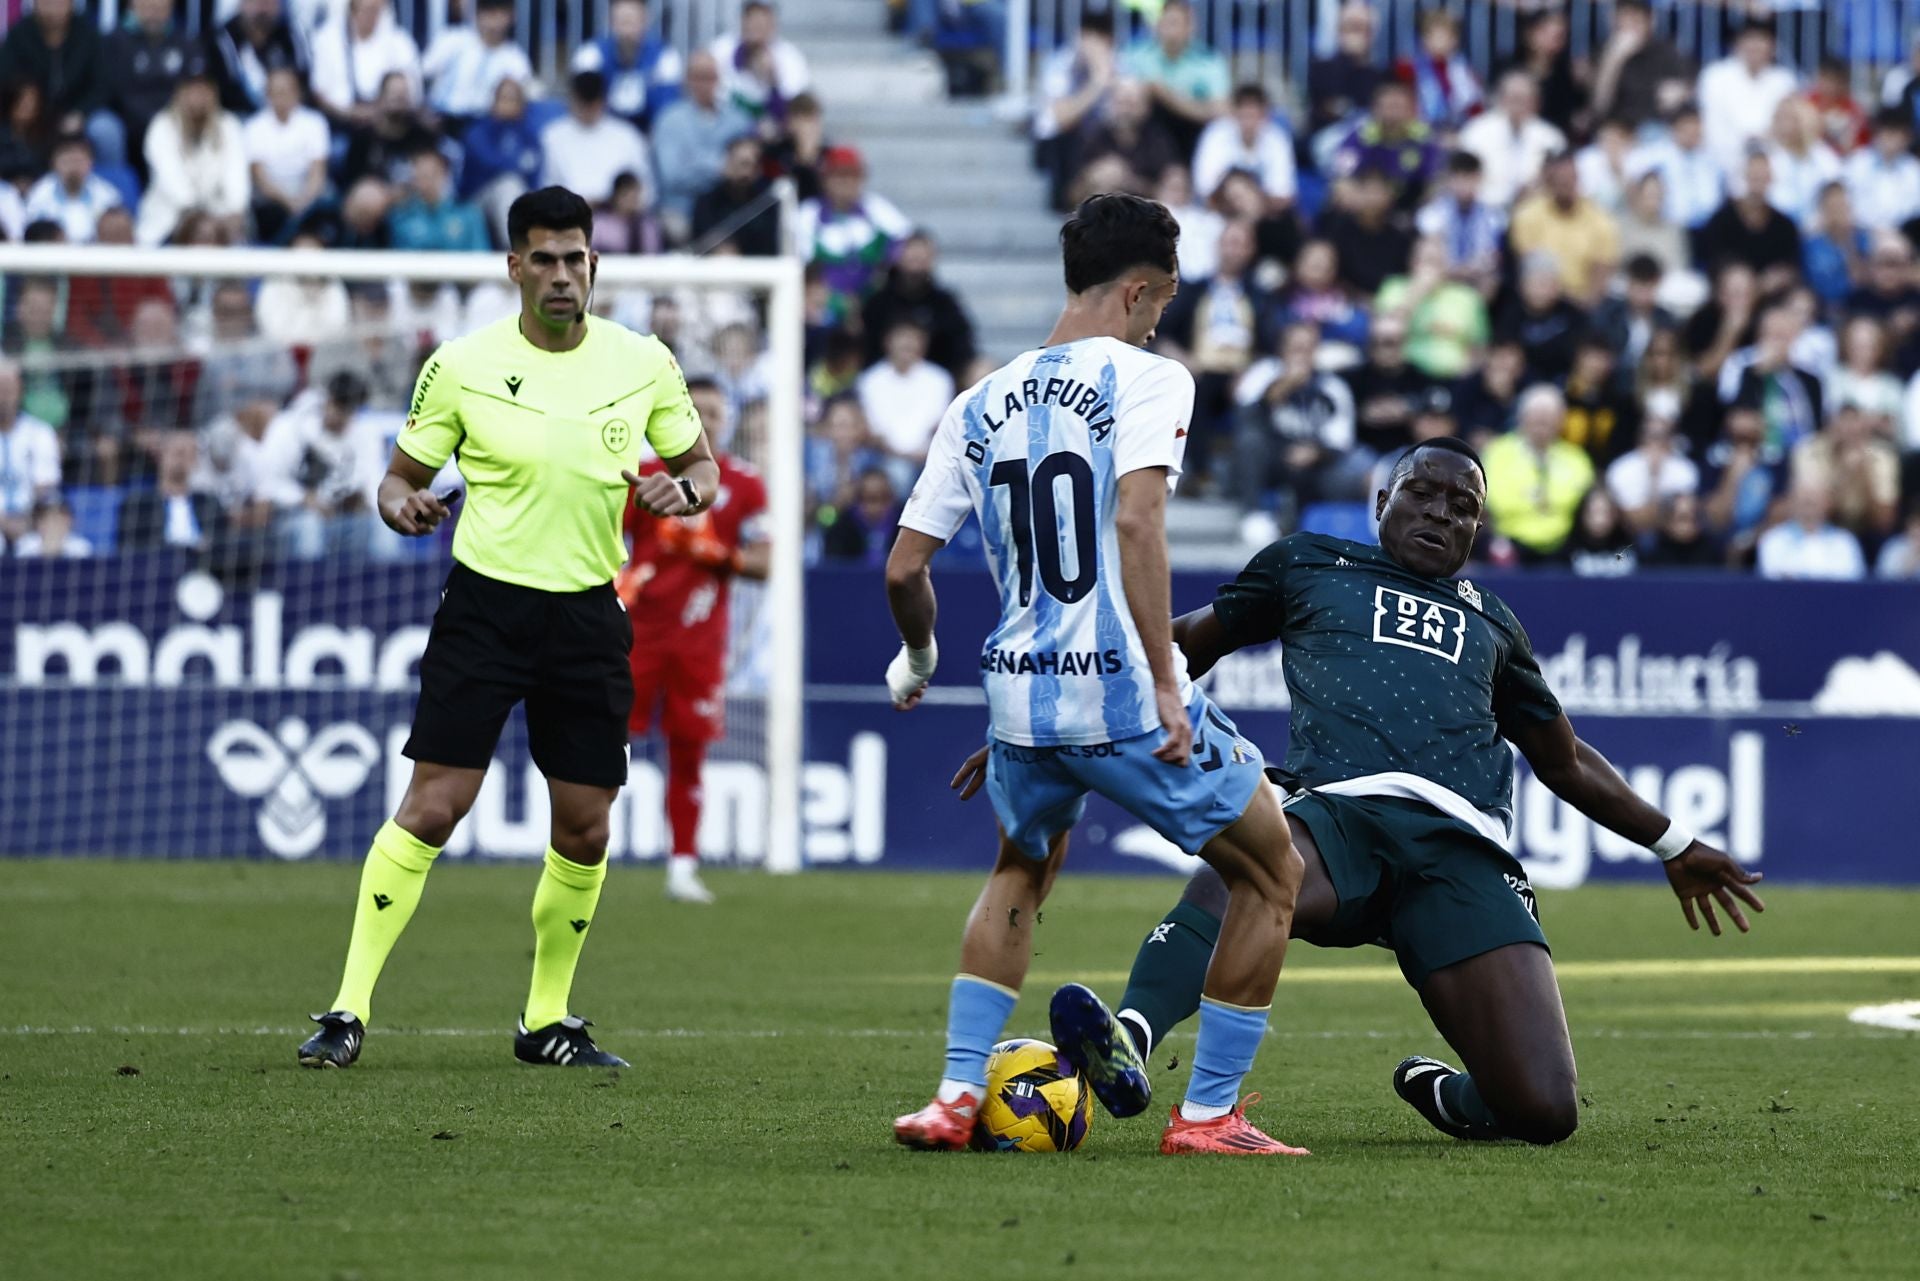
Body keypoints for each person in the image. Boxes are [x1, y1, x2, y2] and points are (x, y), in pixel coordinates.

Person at [949, 435, 1765, 1146]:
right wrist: (1051, 710)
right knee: (1257, 861)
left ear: (1478, 530)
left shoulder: (1493, 621)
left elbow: (1566, 758)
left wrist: (1676, 843)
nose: (1443, 512)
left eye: (1464, 505)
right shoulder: (1310, 562)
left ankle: (1445, 1089)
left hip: (1461, 852)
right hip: (1337, 816)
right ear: (1382, 498)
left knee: (1545, 1111)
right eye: (1425, 491)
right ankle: (1125, 1035)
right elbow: (1185, 643)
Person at [883, 192, 1306, 1158]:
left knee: (1019, 869)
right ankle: (1208, 1116)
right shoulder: (1152, 379)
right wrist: (1165, 682)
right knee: (1271, 870)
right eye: (1162, 300)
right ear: (1141, 289)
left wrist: (920, 660)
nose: (1161, 316)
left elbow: (904, 568)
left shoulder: (976, 401)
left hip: (1021, 699)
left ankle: (953, 1096)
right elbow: (1136, 523)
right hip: (1118, 688)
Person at [294, 185, 722, 1072]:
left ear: (594, 263)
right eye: (547, 259)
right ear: (515, 266)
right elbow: (395, 478)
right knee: (435, 805)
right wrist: (400, 505)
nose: (564, 276)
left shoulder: (643, 361)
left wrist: (682, 492)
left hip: (587, 614)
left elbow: (702, 468)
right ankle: (346, 1009)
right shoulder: (460, 363)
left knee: (586, 829)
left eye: (578, 258)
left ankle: (546, 1019)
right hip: (485, 606)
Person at [618, 376, 769, 905]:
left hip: (701, 641)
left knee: (689, 753)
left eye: (714, 411)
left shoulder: (745, 484)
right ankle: (583, 851)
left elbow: (767, 562)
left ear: (726, 419)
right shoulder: (644, 475)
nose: (706, 420)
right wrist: (624, 577)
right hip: (636, 636)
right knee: (605, 745)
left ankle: (683, 866)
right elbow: (610, 548)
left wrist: (714, 554)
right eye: (696, 411)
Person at [1230, 319, 1364, 541]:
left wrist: (1316, 452)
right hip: (1270, 453)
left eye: (1308, 348)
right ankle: (1252, 514)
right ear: (1283, 348)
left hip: (1313, 459)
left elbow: (1342, 438)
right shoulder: (1263, 372)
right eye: (1295, 348)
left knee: (1345, 467)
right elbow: (1244, 417)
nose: (1301, 355)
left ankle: (1309, 531)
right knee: (1249, 442)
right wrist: (1280, 388)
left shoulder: (1332, 385)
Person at [795, 145, 912, 326]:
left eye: (852, 175)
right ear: (824, 179)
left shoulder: (878, 208)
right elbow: (803, 263)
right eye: (838, 175)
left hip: (872, 303)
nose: (845, 182)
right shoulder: (808, 213)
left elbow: (907, 243)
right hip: (824, 306)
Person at [138, 61, 249, 247]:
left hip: (219, 221)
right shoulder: (162, 125)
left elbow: (236, 178)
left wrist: (233, 211)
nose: (198, 96)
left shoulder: (229, 125)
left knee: (236, 239)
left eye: (204, 89)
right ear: (180, 93)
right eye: (192, 89)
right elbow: (171, 179)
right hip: (169, 221)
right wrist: (199, 218)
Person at [1482, 384, 1595, 561]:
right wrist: (1547, 502)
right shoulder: (1497, 453)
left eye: (1549, 416)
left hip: (1566, 545)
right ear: (1521, 417)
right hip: (1511, 544)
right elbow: (1498, 502)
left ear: (1561, 420)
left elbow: (1582, 505)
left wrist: (1531, 497)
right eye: (1536, 415)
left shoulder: (1577, 458)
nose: (1542, 422)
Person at [650, 51, 750, 235]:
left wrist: (695, 164)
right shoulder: (669, 119)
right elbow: (671, 174)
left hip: (726, 210)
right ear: (687, 80)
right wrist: (719, 168)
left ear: (719, 79)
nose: (704, 84)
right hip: (682, 211)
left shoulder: (737, 120)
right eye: (698, 77)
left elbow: (745, 168)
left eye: (710, 77)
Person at [98, 0, 200, 174]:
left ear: (171, 9)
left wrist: (167, 117)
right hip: (130, 122)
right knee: (106, 128)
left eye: (160, 9)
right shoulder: (114, 42)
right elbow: (115, 92)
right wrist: (152, 119)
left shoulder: (184, 43)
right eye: (148, 8)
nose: (153, 15)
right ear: (132, 7)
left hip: (174, 119)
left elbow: (193, 86)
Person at [860, 232, 976, 382]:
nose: (916, 265)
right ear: (899, 258)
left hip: (938, 380)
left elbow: (962, 345)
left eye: (921, 258)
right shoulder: (878, 302)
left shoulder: (944, 303)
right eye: (912, 257)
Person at [0, 0, 108, 161]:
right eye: (47, 3)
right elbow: (8, 80)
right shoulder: (19, 34)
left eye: (59, 3)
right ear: (35, 5)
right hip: (31, 112)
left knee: (106, 129)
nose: (53, 9)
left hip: (78, 111)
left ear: (71, 5)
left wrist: (81, 113)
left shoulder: (88, 34)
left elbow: (102, 85)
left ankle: (99, 182)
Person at [1507, 151, 1618, 306]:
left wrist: (1583, 307)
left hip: (1582, 305)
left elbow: (1601, 273)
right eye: (1560, 181)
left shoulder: (1600, 220)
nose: (1565, 186)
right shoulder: (1527, 216)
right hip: (1539, 301)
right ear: (1550, 182)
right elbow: (1526, 269)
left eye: (1569, 180)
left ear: (1578, 179)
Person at [1120, 0, 1225, 156]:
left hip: (1192, 133)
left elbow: (1220, 112)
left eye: (1175, 23)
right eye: (1165, 23)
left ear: (1190, 28)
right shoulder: (1135, 55)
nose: (1169, 29)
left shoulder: (1209, 62)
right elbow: (1120, 99)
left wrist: (1168, 97)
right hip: (1145, 132)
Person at [856, 320, 954, 485]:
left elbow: (940, 426)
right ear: (887, 341)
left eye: (913, 338)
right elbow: (871, 431)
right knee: (896, 472)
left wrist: (924, 454)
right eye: (902, 337)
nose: (907, 344)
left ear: (923, 343)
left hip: (930, 457)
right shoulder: (870, 380)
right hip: (883, 456)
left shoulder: (940, 379)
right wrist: (898, 454)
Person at [1697, 20, 1797, 174]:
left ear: (1773, 47)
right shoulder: (1715, 76)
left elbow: (1786, 127)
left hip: (1773, 161)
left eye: (1761, 40)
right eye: (1750, 40)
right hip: (1722, 159)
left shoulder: (1784, 81)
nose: (1755, 46)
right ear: (1737, 44)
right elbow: (1711, 124)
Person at [244, 65, 330, 243]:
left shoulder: (315, 122)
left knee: (327, 208)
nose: (281, 96)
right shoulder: (253, 127)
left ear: (297, 93)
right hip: (271, 199)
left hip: (308, 195)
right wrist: (288, 202)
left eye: (286, 91)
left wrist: (304, 200)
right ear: (267, 95)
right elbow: (260, 177)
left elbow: (318, 171)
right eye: (276, 91)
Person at [1459, 71, 1566, 211]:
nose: (1517, 105)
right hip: (1485, 211)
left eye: (1524, 99)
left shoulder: (1552, 138)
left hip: (1535, 214)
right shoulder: (1475, 132)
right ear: (1500, 99)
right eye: (1513, 98)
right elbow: (1464, 181)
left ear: (1536, 102)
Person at [541, 72, 650, 208]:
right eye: (582, 103)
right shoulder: (552, 136)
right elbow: (546, 186)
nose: (587, 109)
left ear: (603, 101)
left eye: (592, 104)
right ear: (572, 100)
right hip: (568, 217)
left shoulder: (627, 136)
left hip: (618, 217)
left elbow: (645, 189)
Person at [308, 0, 422, 131]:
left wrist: (379, 111)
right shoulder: (327, 39)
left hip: (388, 124)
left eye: (377, 10)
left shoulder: (400, 42)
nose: (371, 16)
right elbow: (319, 93)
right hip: (340, 122)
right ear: (352, 10)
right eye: (367, 10)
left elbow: (414, 93)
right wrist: (352, 113)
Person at [571, 0, 681, 131]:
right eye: (621, 22)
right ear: (611, 23)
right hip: (601, 131)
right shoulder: (591, 53)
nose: (626, 31)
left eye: (632, 22)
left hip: (649, 129)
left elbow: (667, 108)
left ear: (645, 21)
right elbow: (585, 102)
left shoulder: (666, 55)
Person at [421, 0, 531, 130]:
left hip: (484, 125)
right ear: (478, 14)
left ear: (512, 17)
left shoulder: (516, 59)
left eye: (501, 14)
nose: (494, 22)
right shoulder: (451, 39)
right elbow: (423, 74)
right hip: (440, 118)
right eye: (489, 14)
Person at [459, 76, 542, 246]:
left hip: (521, 198)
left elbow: (535, 173)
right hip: (477, 201)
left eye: (514, 99)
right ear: (493, 102)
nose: (508, 104)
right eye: (504, 98)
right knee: (508, 186)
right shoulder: (479, 131)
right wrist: (517, 165)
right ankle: (518, 247)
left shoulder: (529, 134)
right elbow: (491, 164)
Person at [1605, 392, 1699, 534]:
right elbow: (1631, 520)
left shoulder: (1685, 470)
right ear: (1640, 437)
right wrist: (1651, 476)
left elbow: (1678, 519)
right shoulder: (1620, 468)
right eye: (1651, 436)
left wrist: (1656, 476)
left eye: (1661, 436)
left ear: (1670, 439)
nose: (1655, 444)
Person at [1590, 0, 1690, 131]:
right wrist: (1614, 61)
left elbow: (1686, 88)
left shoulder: (1666, 52)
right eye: (1625, 18)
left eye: (1637, 19)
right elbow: (1599, 106)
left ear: (1650, 21)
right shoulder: (1604, 51)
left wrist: (1681, 92)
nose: (1631, 25)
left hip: (1657, 130)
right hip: (1617, 131)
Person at [1626, 102, 1723, 236]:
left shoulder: (1711, 159)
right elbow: (1631, 176)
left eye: (1696, 126)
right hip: (1671, 229)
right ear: (1675, 128)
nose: (1692, 132)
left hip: (1708, 231)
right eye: (1687, 127)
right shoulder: (1656, 156)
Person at [1190, 83, 1293, 208]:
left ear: (1265, 115)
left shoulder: (1277, 138)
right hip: (1222, 212)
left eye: (1254, 116)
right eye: (1244, 116)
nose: (1249, 123)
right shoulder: (1216, 134)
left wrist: (1250, 200)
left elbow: (1283, 195)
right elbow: (1204, 191)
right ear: (1234, 113)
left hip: (1262, 213)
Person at [709, 1, 810, 126]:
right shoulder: (721, 49)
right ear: (742, 20)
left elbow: (796, 109)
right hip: (725, 128)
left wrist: (773, 80)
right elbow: (710, 99)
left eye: (763, 16)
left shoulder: (790, 58)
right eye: (751, 16)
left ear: (773, 22)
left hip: (774, 133)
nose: (756, 23)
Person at [1416, 150, 1505, 289]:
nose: (1464, 185)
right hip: (1442, 276)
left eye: (1470, 178)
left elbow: (1490, 257)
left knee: (1491, 281)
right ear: (1449, 179)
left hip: (1475, 278)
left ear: (1480, 179)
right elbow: (1428, 256)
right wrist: (1454, 270)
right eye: (1459, 178)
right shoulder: (1431, 214)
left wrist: (1471, 269)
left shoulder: (1494, 217)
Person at [210, 0, 311, 118]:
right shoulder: (223, 39)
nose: (262, 9)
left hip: (286, 117)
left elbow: (303, 80)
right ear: (241, 4)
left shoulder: (290, 35)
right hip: (239, 116)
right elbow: (223, 90)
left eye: (268, 2)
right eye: (256, 2)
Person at [0, 359, 61, 547]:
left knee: (41, 545)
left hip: (32, 522)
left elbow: (45, 486)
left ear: (20, 391)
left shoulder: (41, 432)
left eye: (9, 390)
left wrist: (27, 522)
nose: (4, 397)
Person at [1755, 479, 1866, 580]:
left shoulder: (1845, 542)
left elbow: (1853, 585)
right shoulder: (1773, 540)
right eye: (1803, 498)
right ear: (1791, 502)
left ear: (1828, 503)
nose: (1809, 502)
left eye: (1815, 498)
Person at [23, 132, 120, 243]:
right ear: (54, 162)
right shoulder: (39, 194)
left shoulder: (107, 194)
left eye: (78, 160)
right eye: (67, 160)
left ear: (90, 162)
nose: (73, 167)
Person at [387, 145, 488, 252]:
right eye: (421, 175)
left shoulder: (469, 215)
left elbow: (481, 255)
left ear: (443, 173)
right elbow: (398, 261)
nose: (427, 182)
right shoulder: (402, 219)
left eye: (432, 174)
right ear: (414, 178)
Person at [691, 134, 778, 257]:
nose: (745, 172)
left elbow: (771, 247)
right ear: (727, 164)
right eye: (740, 163)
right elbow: (702, 243)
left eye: (751, 164)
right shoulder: (707, 203)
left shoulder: (767, 205)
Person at [1396, 8, 1481, 131]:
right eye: (1434, 35)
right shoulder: (1407, 68)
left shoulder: (1465, 73)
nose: (1440, 40)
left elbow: (1475, 110)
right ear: (1424, 39)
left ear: (1455, 40)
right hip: (1417, 132)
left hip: (1457, 131)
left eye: (1446, 35)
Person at [1843, 109, 1920, 234]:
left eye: (1897, 133)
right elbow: (1845, 206)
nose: (1891, 139)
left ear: (1907, 138)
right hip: (1862, 234)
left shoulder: (1914, 170)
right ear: (1876, 133)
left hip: (1905, 238)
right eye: (1888, 132)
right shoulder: (1856, 164)